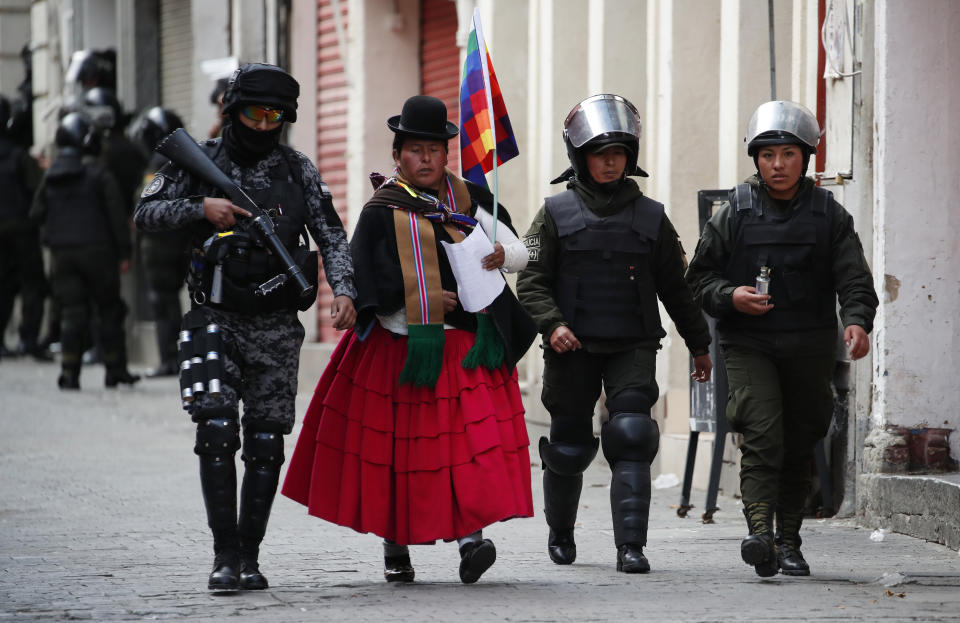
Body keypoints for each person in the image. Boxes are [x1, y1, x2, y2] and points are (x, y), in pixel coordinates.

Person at [281, 95, 536, 585]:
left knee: (464, 447)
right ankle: (395, 548)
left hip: (463, 346)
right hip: (398, 347)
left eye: (434, 150)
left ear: (446, 156)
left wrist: (506, 252)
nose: (425, 159)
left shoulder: (471, 201)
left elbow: (532, 248)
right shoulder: (381, 211)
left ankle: (471, 541)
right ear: (398, 155)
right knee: (397, 452)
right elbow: (358, 270)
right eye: (414, 150)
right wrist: (402, 300)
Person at [134, 63, 357, 592]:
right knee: (214, 431)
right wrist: (199, 208)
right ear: (231, 112)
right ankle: (224, 556)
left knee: (265, 442)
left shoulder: (298, 169)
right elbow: (145, 213)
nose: (262, 125)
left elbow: (332, 234)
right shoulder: (200, 161)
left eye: (274, 115)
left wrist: (344, 291)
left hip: (277, 327)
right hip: (213, 318)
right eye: (253, 113)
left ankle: (250, 556)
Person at [517, 94, 712, 574]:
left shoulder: (651, 217)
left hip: (632, 342)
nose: (610, 162)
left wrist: (699, 345)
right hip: (571, 345)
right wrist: (553, 323)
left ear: (631, 158)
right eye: (600, 153)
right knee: (568, 445)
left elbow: (676, 288)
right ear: (579, 157)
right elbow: (531, 279)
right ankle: (560, 530)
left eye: (619, 153)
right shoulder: (552, 214)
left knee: (630, 433)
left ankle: (631, 546)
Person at [685, 100, 878, 577]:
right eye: (768, 155)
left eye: (788, 154)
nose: (777, 164)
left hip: (810, 344)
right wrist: (732, 297)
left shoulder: (829, 215)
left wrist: (857, 321)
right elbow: (698, 279)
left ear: (806, 157)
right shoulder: (734, 211)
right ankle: (759, 534)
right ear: (755, 158)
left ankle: (790, 541)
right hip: (750, 344)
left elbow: (855, 278)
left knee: (800, 438)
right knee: (762, 432)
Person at [29, 112, 138, 389]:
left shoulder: (52, 175)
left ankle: (69, 372)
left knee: (71, 313)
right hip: (99, 253)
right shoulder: (99, 173)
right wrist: (124, 252)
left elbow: (36, 213)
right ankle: (115, 370)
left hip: (63, 254)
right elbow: (116, 215)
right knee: (109, 310)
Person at [129, 106, 190, 377]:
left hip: (159, 244)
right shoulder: (187, 160)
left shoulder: (157, 165)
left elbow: (144, 205)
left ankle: (169, 358)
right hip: (182, 241)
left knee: (162, 302)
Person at [0, 94, 49, 360]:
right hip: (21, 229)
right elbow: (38, 190)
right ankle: (28, 339)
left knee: (3, 286)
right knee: (32, 285)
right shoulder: (19, 157)